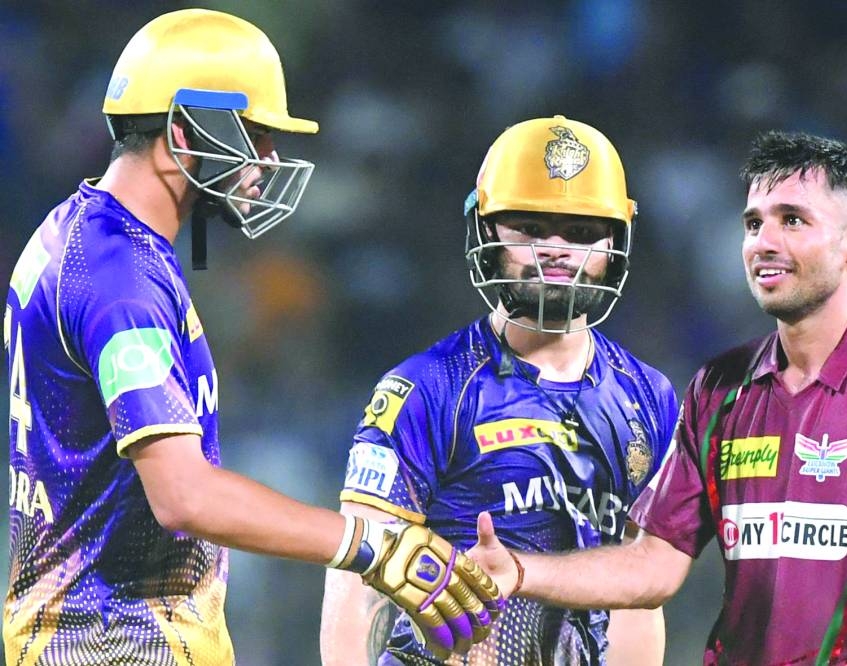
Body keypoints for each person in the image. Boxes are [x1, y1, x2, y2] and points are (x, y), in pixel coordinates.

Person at [3, 9, 499, 665]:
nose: (268, 160)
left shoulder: (75, 232)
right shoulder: (120, 276)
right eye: (255, 135)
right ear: (184, 131)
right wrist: (372, 546)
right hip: (117, 644)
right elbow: (183, 496)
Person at [469, 130, 847, 664]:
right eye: (753, 223)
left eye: (792, 220)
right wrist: (520, 570)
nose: (764, 242)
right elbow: (654, 564)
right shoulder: (719, 389)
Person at [320, 116, 679, 665]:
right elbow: (359, 578)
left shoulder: (650, 397)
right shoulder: (427, 388)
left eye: (582, 232)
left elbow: (638, 597)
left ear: (616, 242)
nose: (556, 250)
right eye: (530, 228)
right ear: (486, 234)